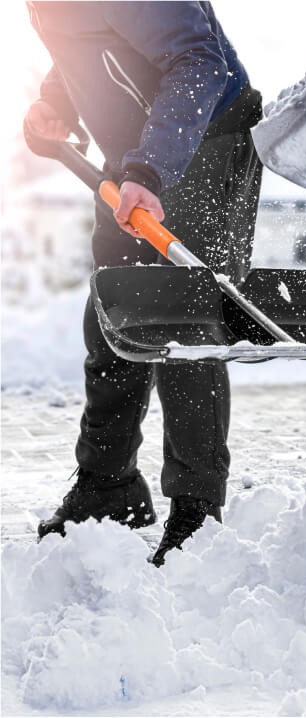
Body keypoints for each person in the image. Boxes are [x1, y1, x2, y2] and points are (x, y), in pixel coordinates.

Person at [24, 1, 262, 566]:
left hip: (203, 143)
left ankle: (197, 511)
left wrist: (150, 169)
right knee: (111, 315)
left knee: (184, 328)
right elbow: (92, 42)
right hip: (134, 158)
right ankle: (109, 489)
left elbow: (200, 61)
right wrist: (55, 105)